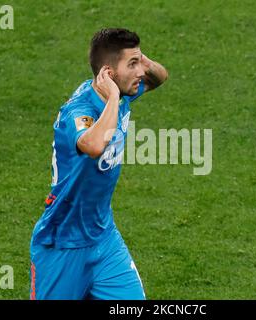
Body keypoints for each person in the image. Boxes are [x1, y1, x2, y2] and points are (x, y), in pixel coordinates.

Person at [29, 28, 168, 300]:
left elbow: (160, 78)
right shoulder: (78, 111)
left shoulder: (125, 89)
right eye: (132, 64)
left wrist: (140, 60)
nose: (141, 72)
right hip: (61, 244)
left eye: (139, 62)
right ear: (109, 73)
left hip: (104, 239)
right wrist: (114, 98)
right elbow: (93, 145)